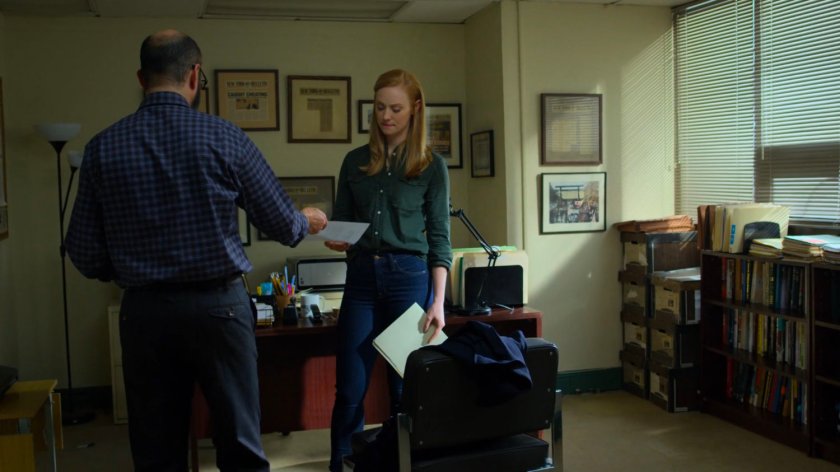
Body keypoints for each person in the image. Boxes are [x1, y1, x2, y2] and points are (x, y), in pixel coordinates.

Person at [65, 29, 328, 472]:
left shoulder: (103, 147)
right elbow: (283, 226)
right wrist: (310, 219)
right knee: (240, 442)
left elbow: (85, 253)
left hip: (145, 313)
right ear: (194, 74)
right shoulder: (225, 137)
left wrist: (134, 269)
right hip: (218, 310)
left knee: (156, 448)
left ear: (140, 77)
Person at [325, 69, 452, 471]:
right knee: (349, 388)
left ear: (415, 109)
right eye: (380, 107)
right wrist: (336, 237)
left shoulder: (432, 167)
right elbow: (342, 223)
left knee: (404, 388)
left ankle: (404, 465)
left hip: (408, 278)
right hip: (362, 278)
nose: (386, 116)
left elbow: (440, 241)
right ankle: (343, 465)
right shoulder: (354, 162)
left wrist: (439, 303)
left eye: (396, 108)